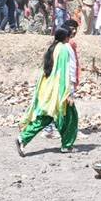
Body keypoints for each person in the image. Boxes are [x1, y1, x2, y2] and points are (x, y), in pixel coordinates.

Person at [16, 27, 80, 156]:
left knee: (45, 118)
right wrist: (68, 92)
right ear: (66, 37)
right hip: (58, 90)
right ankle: (66, 145)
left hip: (48, 88)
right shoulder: (63, 49)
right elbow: (65, 71)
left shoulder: (52, 48)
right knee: (70, 118)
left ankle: (23, 138)